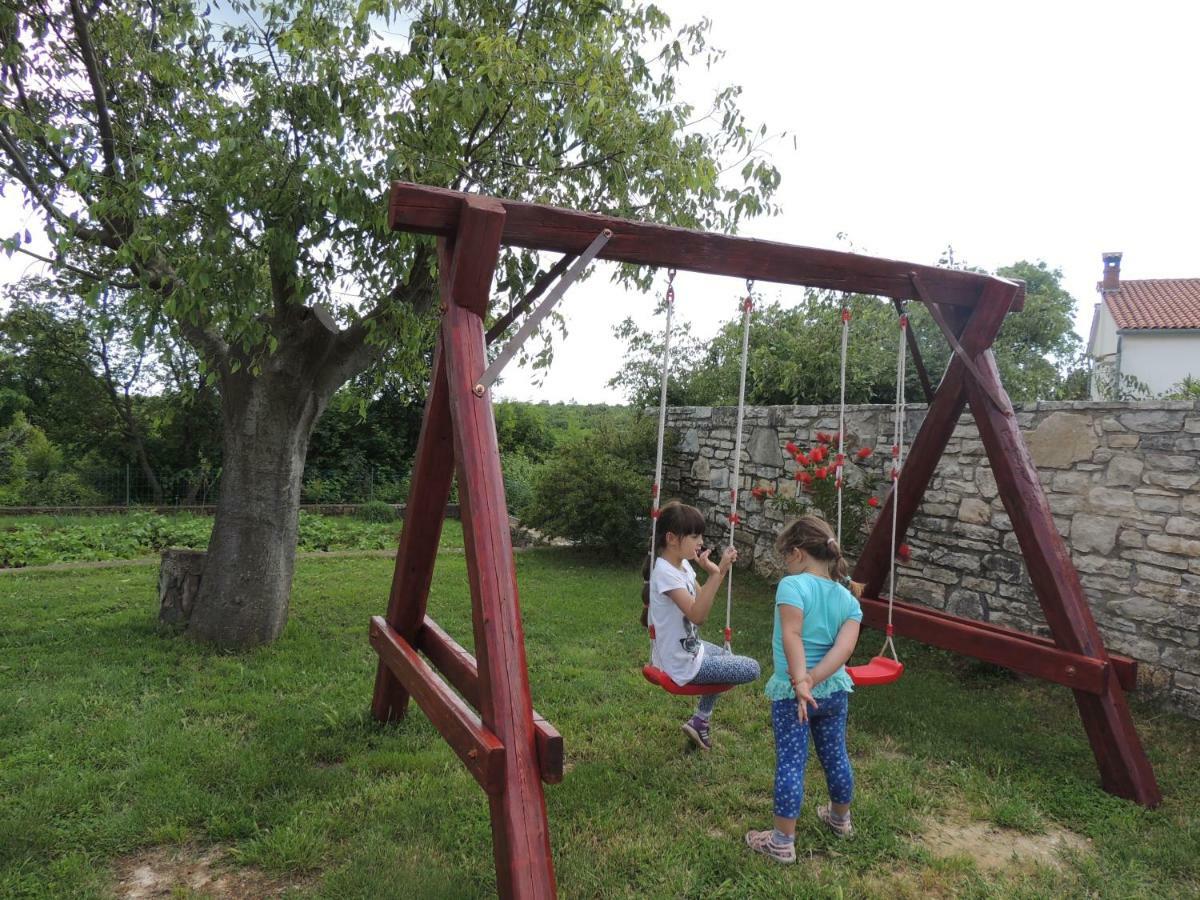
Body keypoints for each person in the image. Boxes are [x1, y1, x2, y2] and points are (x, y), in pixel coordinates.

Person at [745, 515, 863, 864]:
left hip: (792, 694)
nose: (786, 564)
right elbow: (844, 651)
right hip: (833, 691)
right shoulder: (849, 600)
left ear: (797, 553)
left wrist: (800, 681)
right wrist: (815, 679)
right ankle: (841, 820)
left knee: (792, 763)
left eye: (785, 556)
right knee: (836, 755)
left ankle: (782, 842)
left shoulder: (792, 587)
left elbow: (792, 635)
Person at [646, 501, 761, 750]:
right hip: (680, 663)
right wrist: (716, 574)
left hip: (689, 649)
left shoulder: (683, 565)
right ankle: (701, 720)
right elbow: (698, 616)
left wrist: (717, 571)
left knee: (726, 656)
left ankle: (700, 721)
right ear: (672, 538)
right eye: (695, 535)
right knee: (752, 668)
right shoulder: (665, 573)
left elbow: (701, 600)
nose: (701, 542)